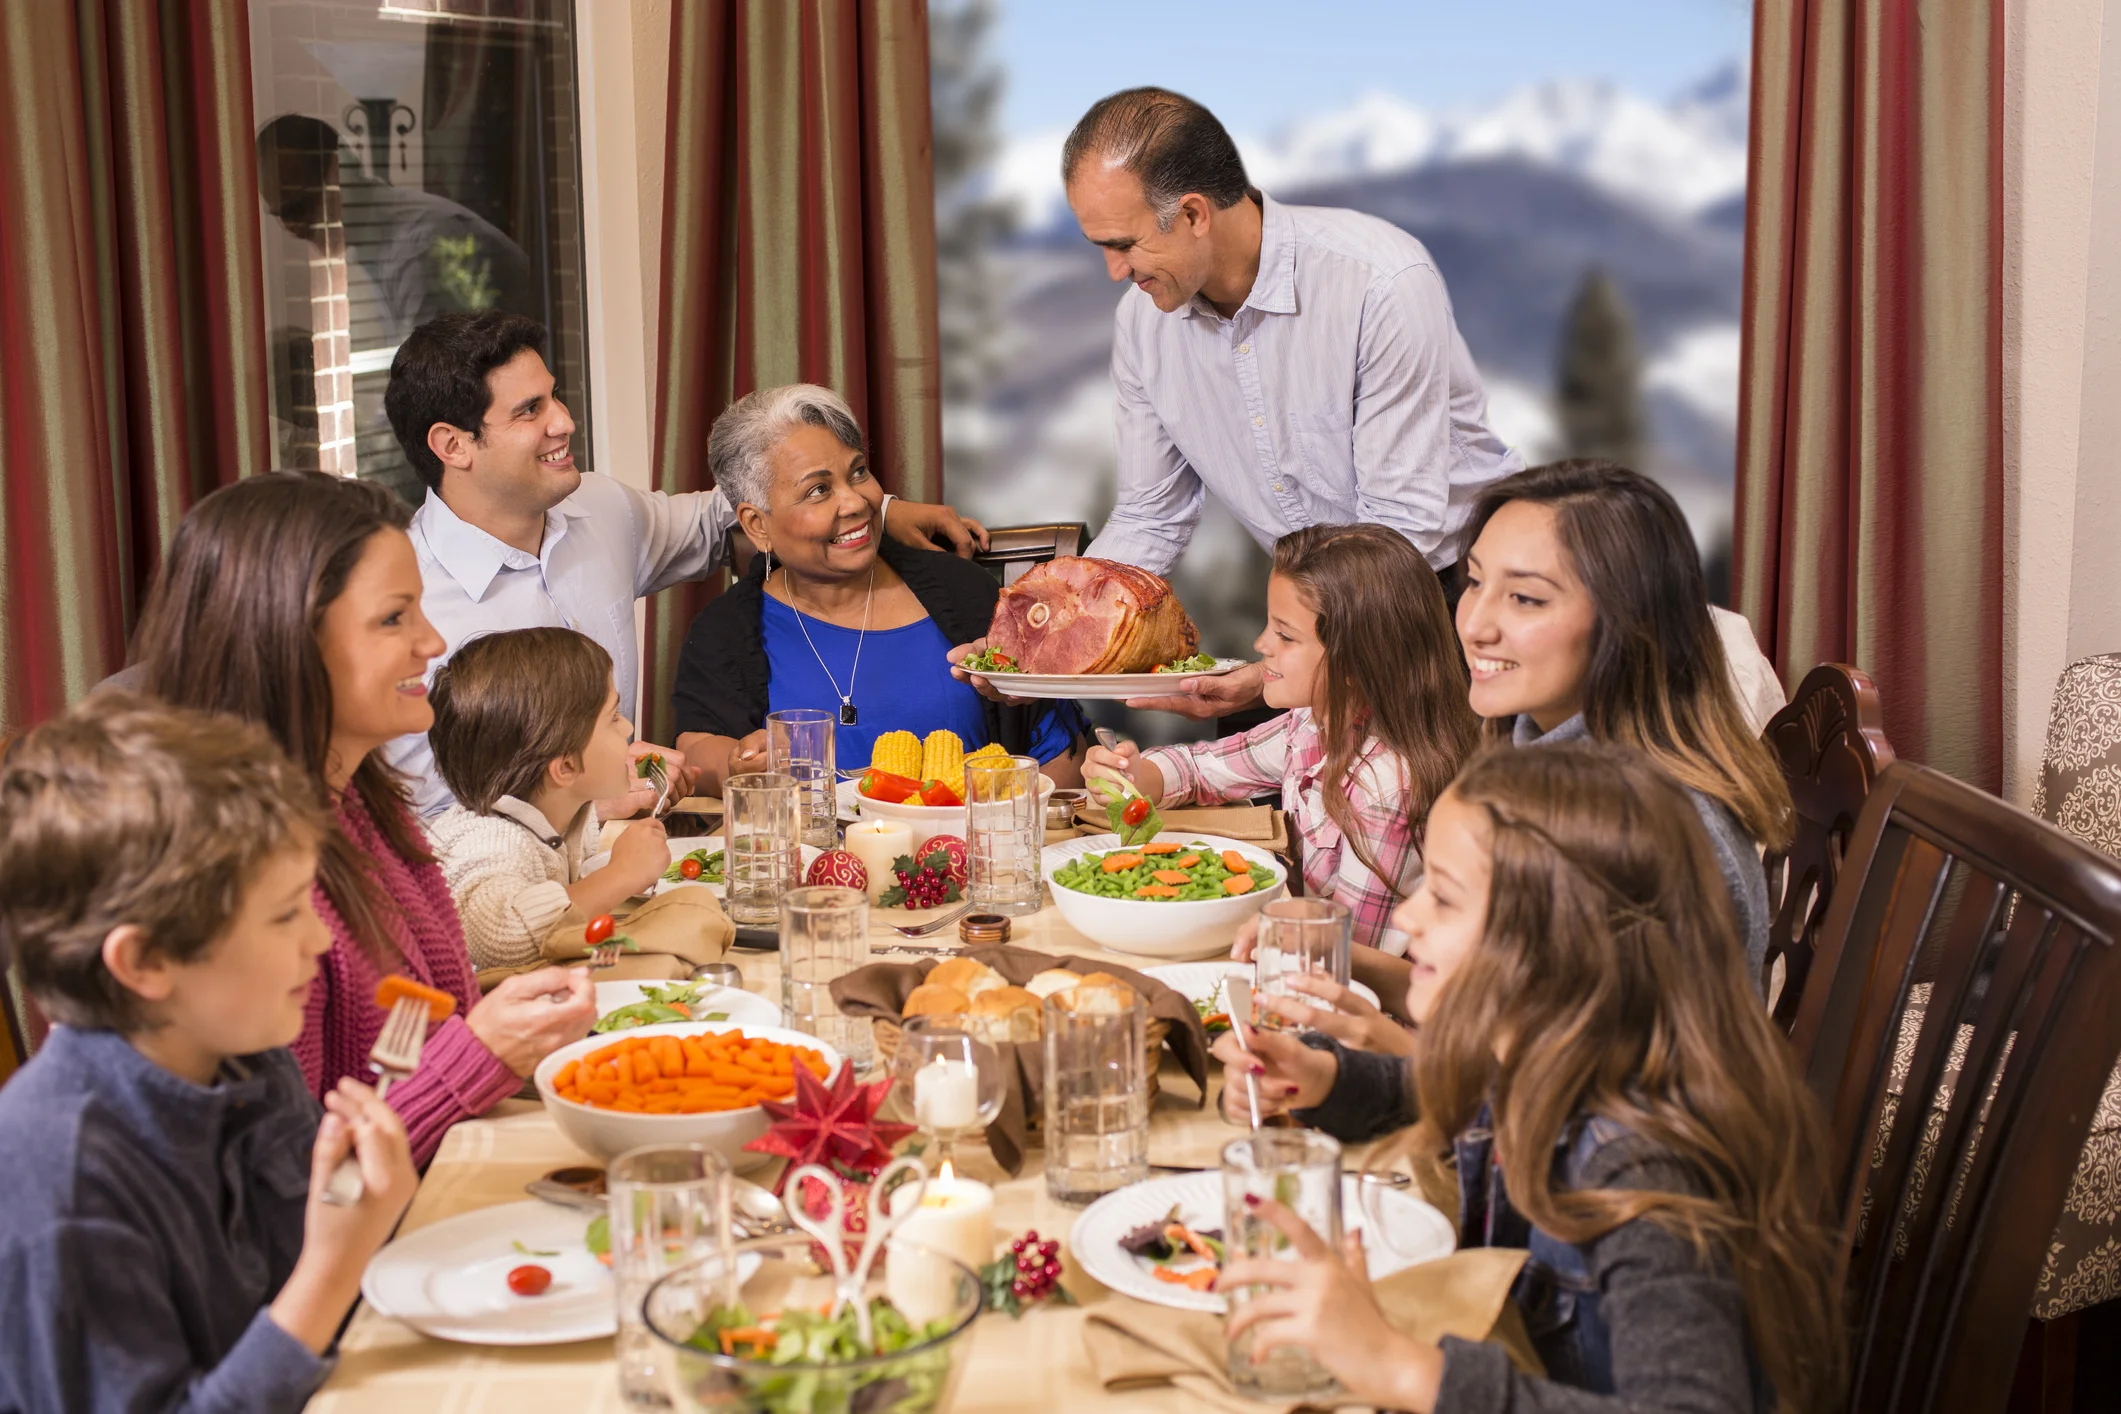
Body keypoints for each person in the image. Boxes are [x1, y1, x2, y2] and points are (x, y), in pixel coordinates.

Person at [1211, 744, 1843, 1413]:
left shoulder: (1639, 1171)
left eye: (1445, 899)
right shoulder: (1547, 1067)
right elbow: (1438, 1090)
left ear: (1557, 942)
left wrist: (1404, 1371)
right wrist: (1327, 1078)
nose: (1406, 917)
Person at [131, 471, 597, 1165]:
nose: (432, 642)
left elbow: (412, 1046)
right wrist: (477, 1055)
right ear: (285, 640)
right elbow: (289, 1179)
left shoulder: (366, 802)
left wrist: (498, 1036)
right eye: (393, 618)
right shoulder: (247, 882)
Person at [379, 311, 992, 816]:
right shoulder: (403, 610)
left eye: (555, 397)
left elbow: (744, 505)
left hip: (641, 865)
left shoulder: (600, 508)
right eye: (529, 411)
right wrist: (589, 808)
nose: (564, 421)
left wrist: (880, 508)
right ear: (452, 445)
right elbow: (418, 825)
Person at [0, 696, 418, 1414]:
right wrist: (332, 1268)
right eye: (286, 914)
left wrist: (355, 1216)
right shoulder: (58, 1178)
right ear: (147, 961)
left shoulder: (250, 1059)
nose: (319, 943)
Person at [1056, 86, 1521, 721]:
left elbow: (1395, 534)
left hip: (1453, 601)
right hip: (1316, 616)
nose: (1115, 271)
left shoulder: (1378, 282)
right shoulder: (1143, 324)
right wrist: (1049, 641)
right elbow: (1151, 515)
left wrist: (1282, 664)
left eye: (1125, 244)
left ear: (1194, 214)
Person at [1454, 460, 1790, 984]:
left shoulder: (1643, 837)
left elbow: (1571, 1064)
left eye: (1525, 598)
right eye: (1474, 582)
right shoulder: (1535, 749)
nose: (1473, 624)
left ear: (1627, 622)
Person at [671, 384, 1087, 792]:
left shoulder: (961, 590)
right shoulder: (725, 630)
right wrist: (737, 763)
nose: (855, 502)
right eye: (818, 490)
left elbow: (1060, 750)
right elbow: (697, 744)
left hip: (965, 852)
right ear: (757, 525)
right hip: (812, 855)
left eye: (858, 473)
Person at [1081, 524, 1477, 954]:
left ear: (1358, 659)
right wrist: (1136, 776)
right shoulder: (1312, 723)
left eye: (1286, 636)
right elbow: (1203, 769)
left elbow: (1347, 955)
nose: (1260, 644)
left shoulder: (1388, 784)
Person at [426, 627, 672, 973]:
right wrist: (622, 873)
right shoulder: (487, 842)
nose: (628, 727)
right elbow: (503, 938)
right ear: (566, 766)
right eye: (613, 718)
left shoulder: (554, 814)